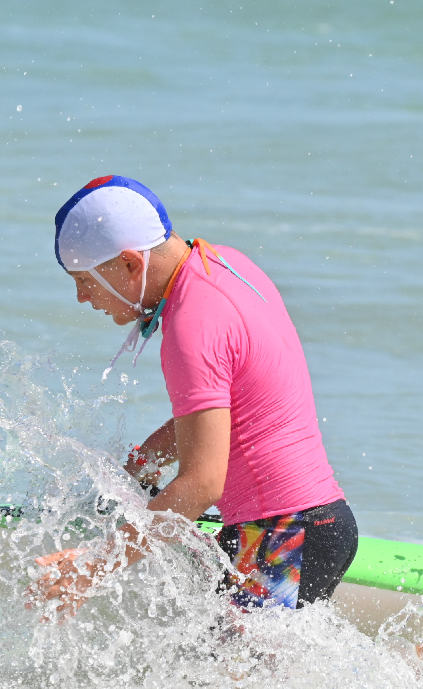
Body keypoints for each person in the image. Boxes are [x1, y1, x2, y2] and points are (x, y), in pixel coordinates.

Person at [28, 175, 358, 619]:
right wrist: (142, 463)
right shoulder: (224, 264)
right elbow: (233, 410)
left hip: (284, 537)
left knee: (232, 667)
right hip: (311, 524)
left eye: (85, 280)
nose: (82, 297)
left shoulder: (191, 326)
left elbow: (201, 485)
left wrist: (95, 566)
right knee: (220, 662)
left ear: (130, 263)